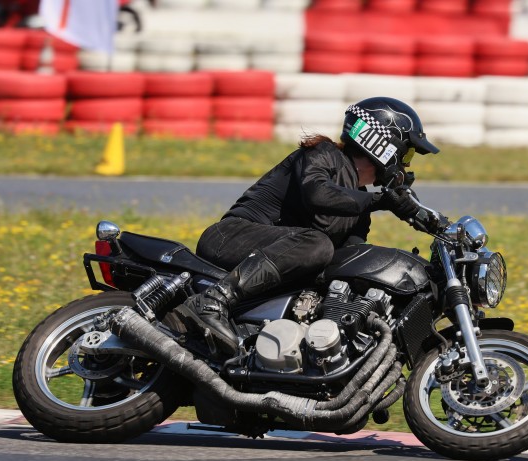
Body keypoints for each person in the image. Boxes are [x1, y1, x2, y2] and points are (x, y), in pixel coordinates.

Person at [175, 96, 445, 356]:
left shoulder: (359, 208)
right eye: (406, 153)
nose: (406, 164)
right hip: (230, 237)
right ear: (382, 144)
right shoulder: (322, 153)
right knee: (318, 244)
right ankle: (212, 301)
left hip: (269, 261)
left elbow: (348, 263)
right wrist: (380, 200)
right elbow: (317, 193)